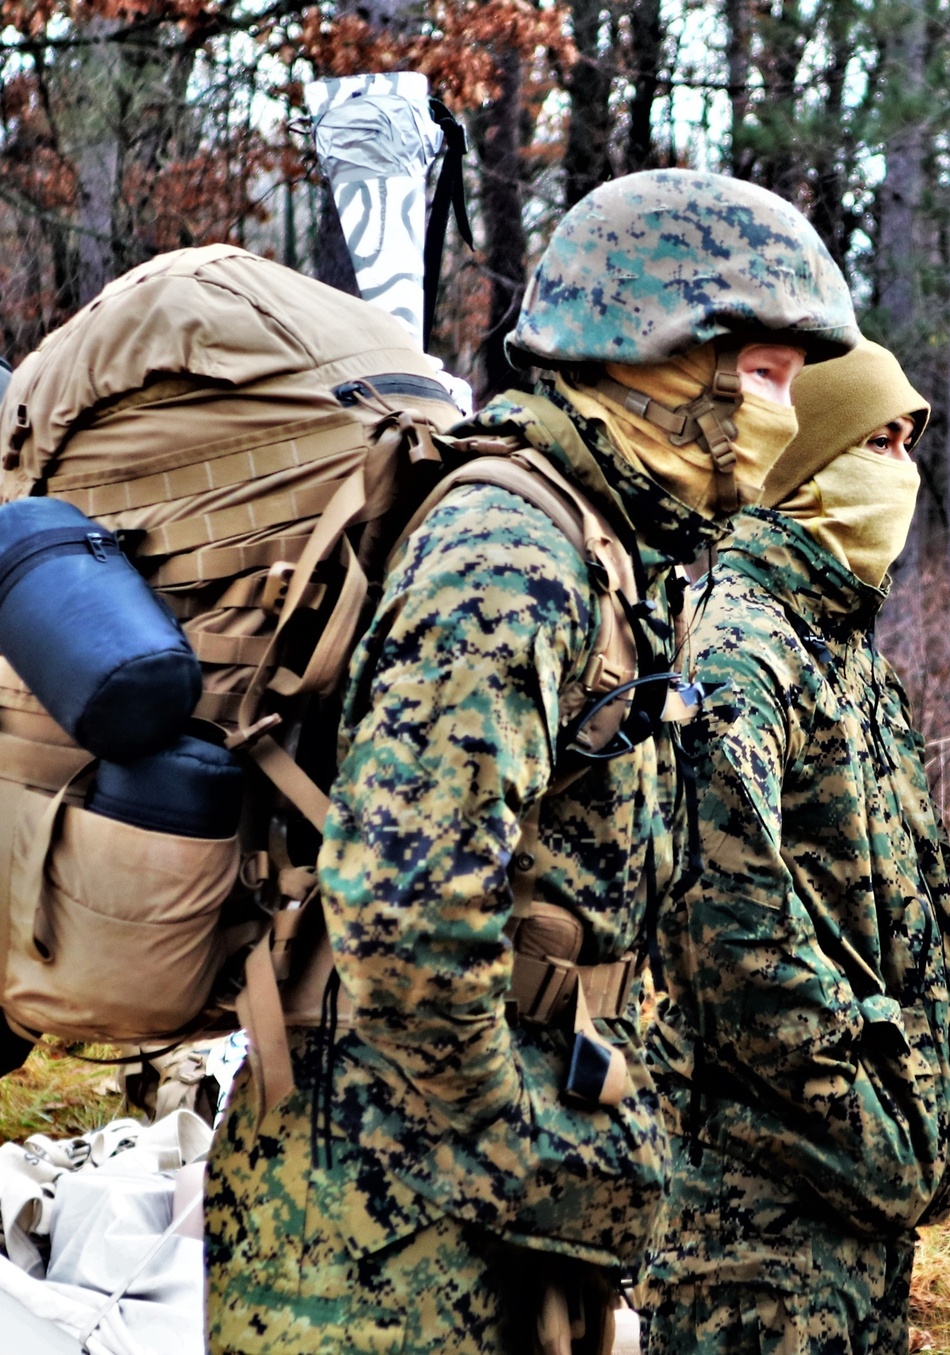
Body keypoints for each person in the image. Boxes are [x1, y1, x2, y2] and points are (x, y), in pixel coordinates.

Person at [204, 169, 859, 1355]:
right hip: (376, 1218)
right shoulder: (511, 548)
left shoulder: (613, 542)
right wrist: (532, 1157)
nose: (784, 407)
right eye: (765, 373)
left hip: (474, 1183)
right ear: (662, 358)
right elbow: (404, 907)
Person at [642, 337, 950, 1355]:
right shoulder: (738, 646)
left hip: (847, 1215)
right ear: (802, 459)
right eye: (872, 440)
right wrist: (872, 1123)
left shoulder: (844, 651)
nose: (900, 468)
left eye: (906, 441)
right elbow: (724, 932)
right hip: (752, 1226)